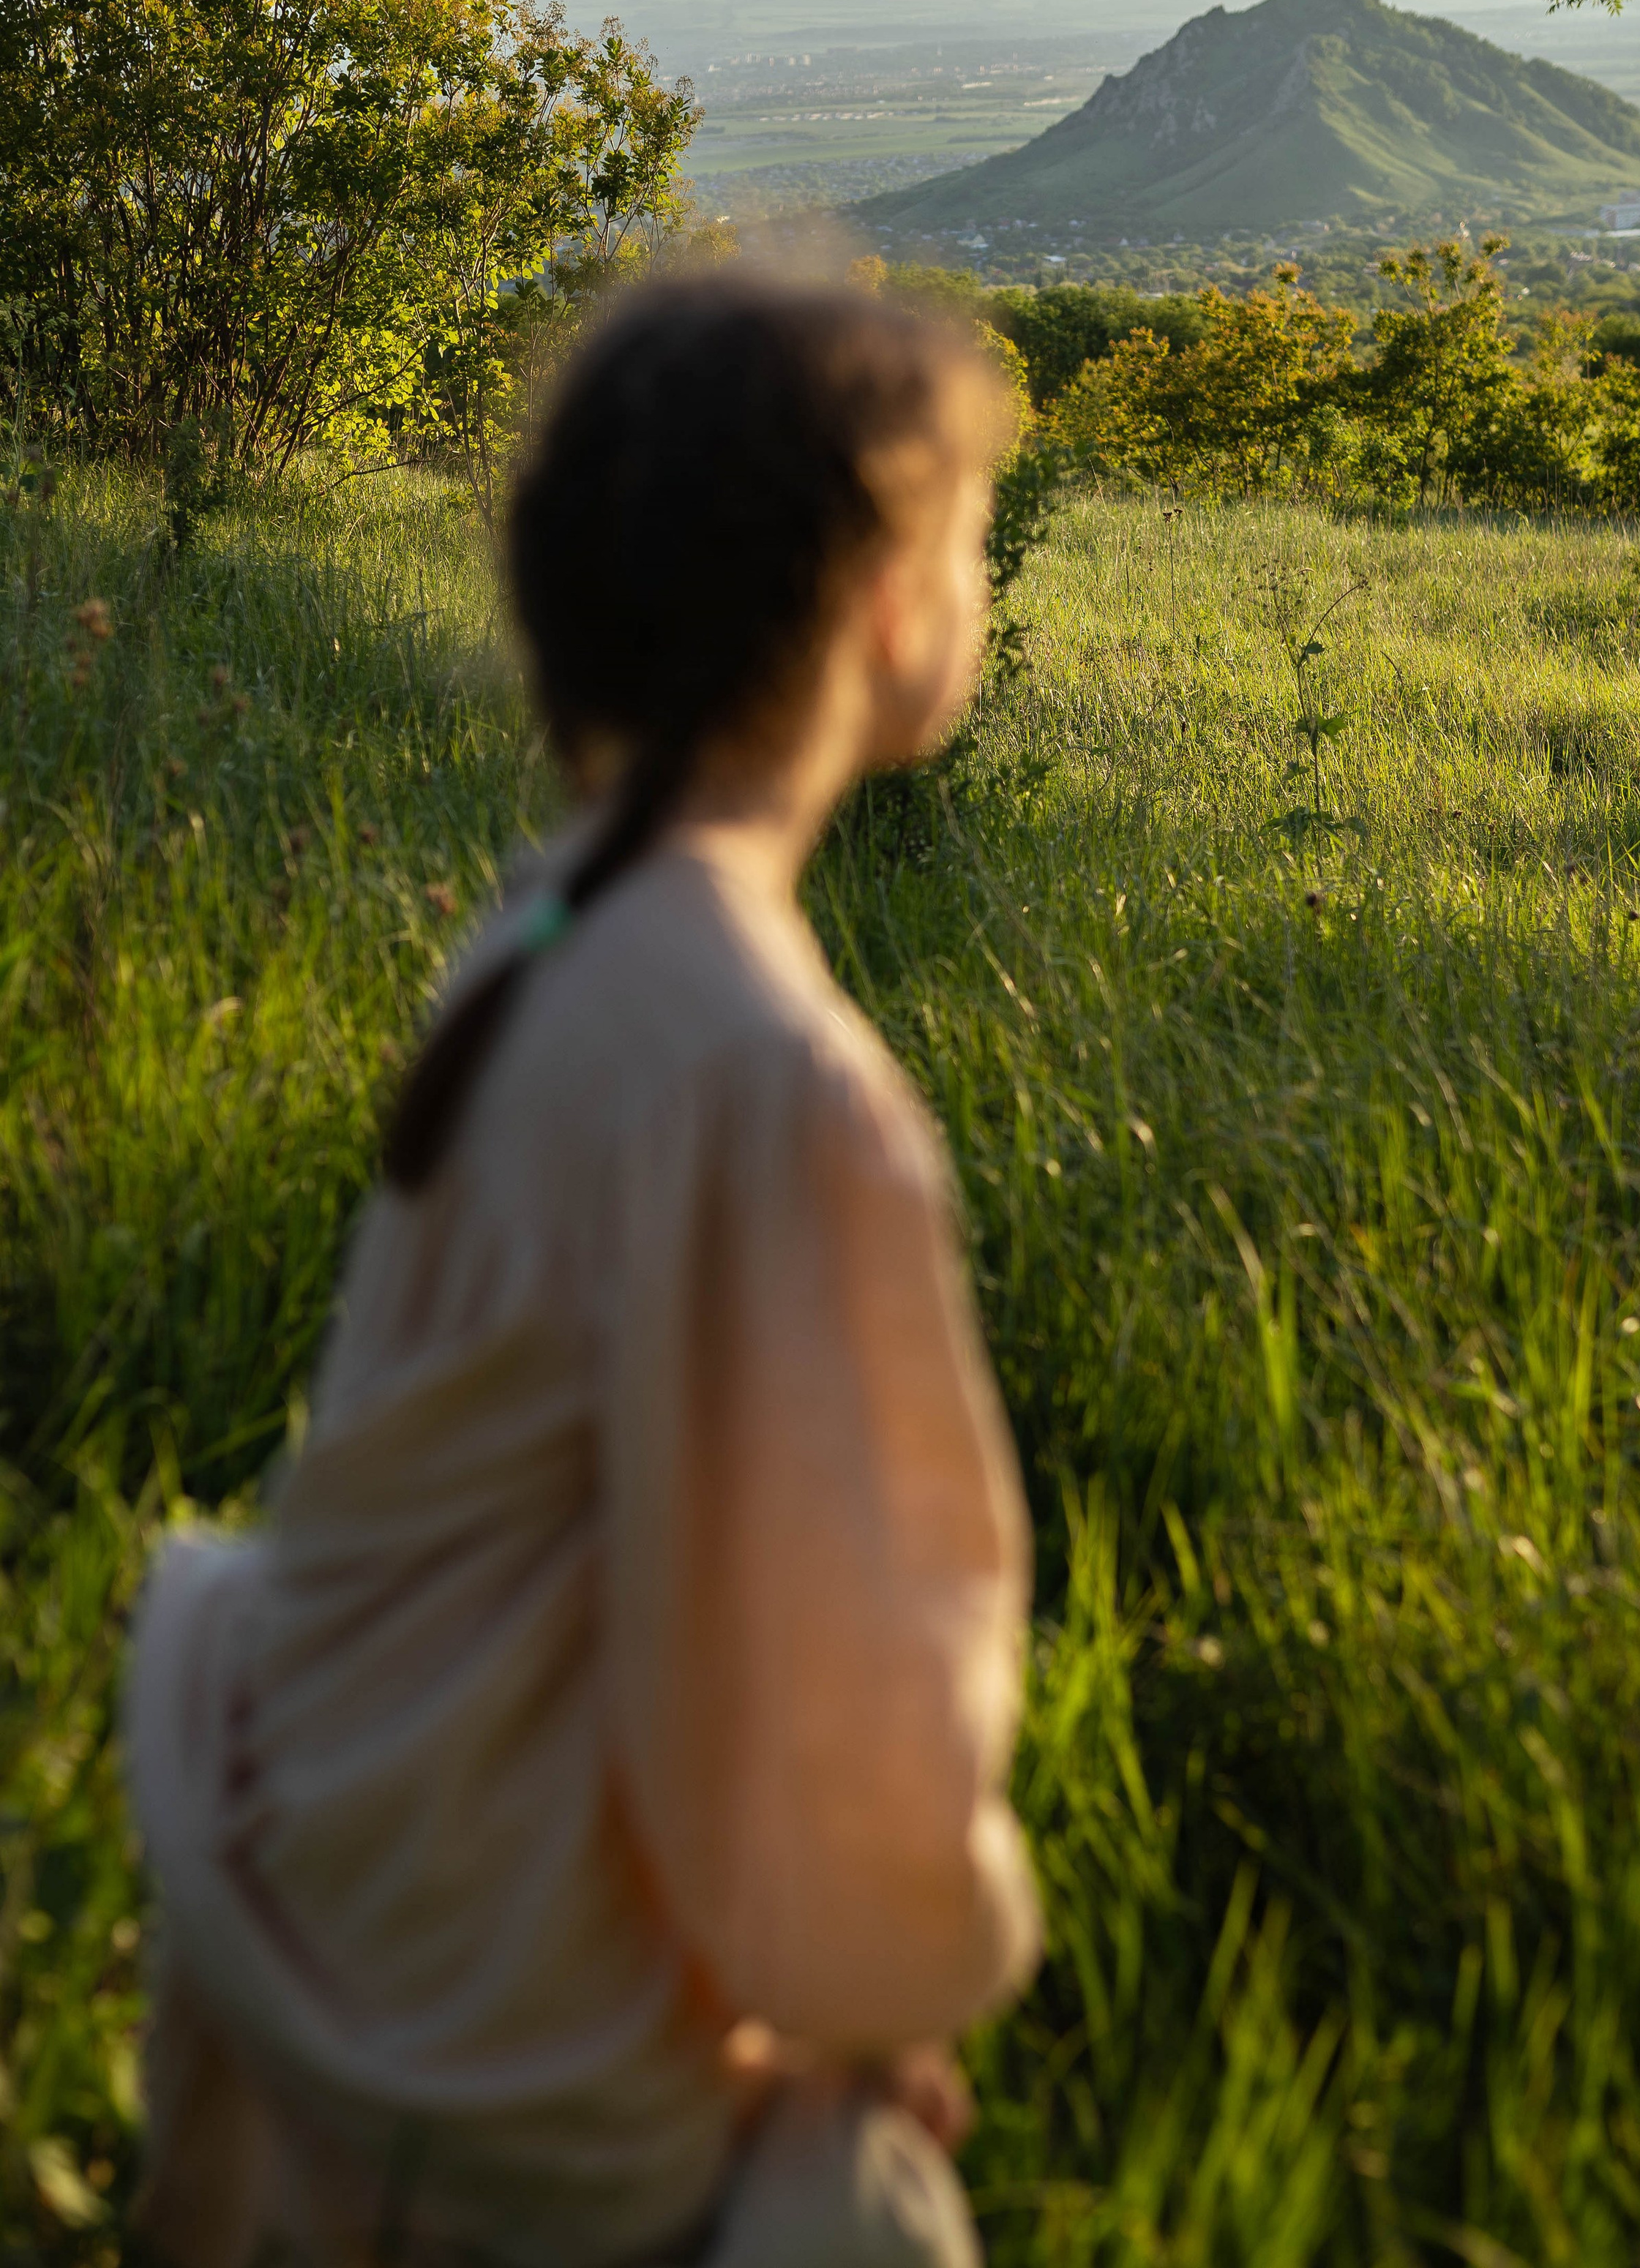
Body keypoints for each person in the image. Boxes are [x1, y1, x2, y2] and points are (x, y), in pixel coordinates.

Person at [126, 277, 1042, 2268]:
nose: (978, 587)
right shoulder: (769, 1073)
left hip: (311, 1841)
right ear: (891, 607)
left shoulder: (552, 925)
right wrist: (880, 2005)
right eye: (970, 544)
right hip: (472, 2000)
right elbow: (846, 1654)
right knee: (878, 2221)